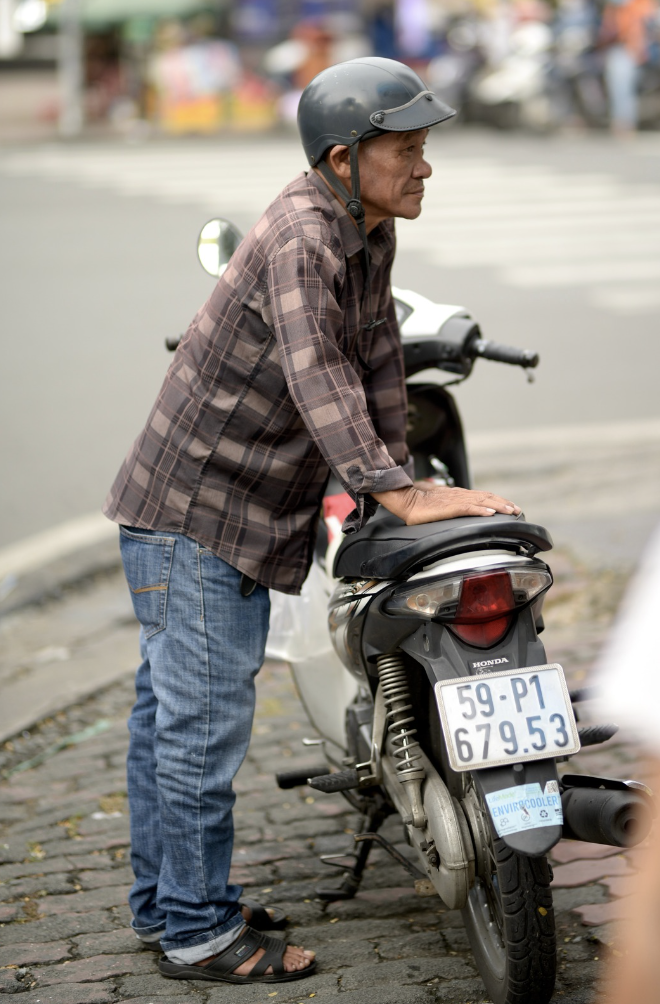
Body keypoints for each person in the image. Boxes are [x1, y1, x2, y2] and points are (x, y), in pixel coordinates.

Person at [103, 56, 521, 986]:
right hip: (194, 513)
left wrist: (392, 479)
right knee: (199, 730)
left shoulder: (368, 229)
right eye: (406, 150)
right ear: (344, 158)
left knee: (168, 719)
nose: (424, 167)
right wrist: (398, 489)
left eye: (424, 148)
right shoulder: (303, 234)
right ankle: (199, 934)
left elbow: (375, 356)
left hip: (227, 507)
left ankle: (169, 904)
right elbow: (318, 374)